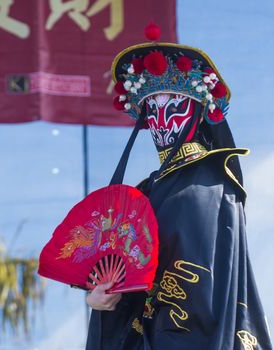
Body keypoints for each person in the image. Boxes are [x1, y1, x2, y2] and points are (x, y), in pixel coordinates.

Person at [85, 39, 273, 350]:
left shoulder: (210, 183)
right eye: (152, 110)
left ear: (199, 112)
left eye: (174, 107)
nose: (161, 122)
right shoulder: (145, 191)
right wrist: (103, 299)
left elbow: (199, 294)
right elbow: (127, 286)